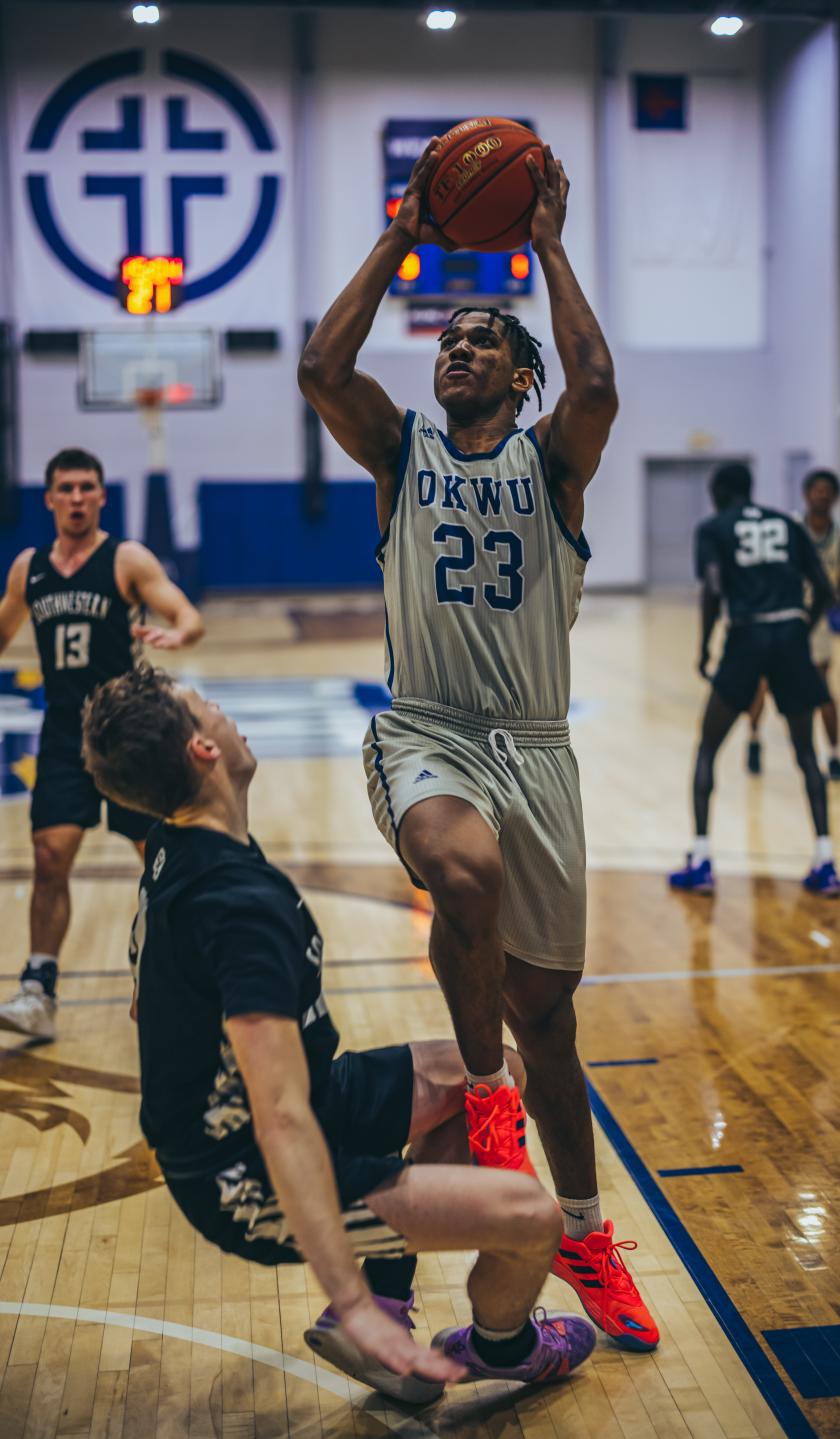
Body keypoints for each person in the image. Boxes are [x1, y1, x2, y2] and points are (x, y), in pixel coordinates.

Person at [298, 141, 659, 1352]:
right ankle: (486, 1094)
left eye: (481, 339)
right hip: (430, 729)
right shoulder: (400, 454)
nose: (456, 348)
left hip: (539, 752)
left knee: (553, 1021)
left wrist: (548, 242)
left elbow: (600, 381)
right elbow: (319, 364)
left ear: (518, 372)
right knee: (464, 875)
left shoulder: (552, 460)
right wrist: (404, 230)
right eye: (446, 338)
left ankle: (591, 1233)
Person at [80, 665, 596, 1400]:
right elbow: (282, 1117)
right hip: (246, 1179)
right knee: (534, 1220)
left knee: (492, 1073)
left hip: (318, 1099)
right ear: (202, 751)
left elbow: (142, 998)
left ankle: (386, 1296)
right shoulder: (239, 906)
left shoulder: (173, 842)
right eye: (210, 708)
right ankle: (501, 1342)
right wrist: (344, 1297)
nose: (227, 713)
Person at [0, 448, 203, 1043]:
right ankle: (38, 989)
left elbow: (184, 611)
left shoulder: (126, 558)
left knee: (157, 859)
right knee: (47, 857)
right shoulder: (29, 568)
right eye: (67, 488)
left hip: (128, 731)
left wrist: (179, 631)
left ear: (101, 496)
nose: (78, 498)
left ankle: (174, 975)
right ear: (49, 498)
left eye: (88, 487)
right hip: (65, 731)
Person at [669, 462, 840, 897]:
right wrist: (803, 626)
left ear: (720, 493)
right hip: (789, 635)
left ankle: (702, 858)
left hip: (746, 636)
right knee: (806, 752)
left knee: (708, 747)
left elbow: (711, 587)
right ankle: (825, 861)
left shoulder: (713, 528)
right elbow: (823, 586)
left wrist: (705, 645)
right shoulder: (787, 523)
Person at [747, 469, 840, 781]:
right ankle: (754, 739)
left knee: (823, 690)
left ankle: (834, 755)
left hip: (814, 625)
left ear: (836, 497)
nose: (822, 495)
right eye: (817, 490)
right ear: (806, 495)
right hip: (779, 618)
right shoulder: (788, 530)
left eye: (828, 490)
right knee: (761, 685)